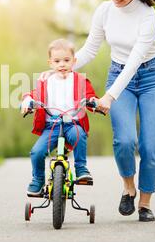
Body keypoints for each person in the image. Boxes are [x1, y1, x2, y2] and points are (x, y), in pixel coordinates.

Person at [72, 0, 155, 221]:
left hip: (153, 79)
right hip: (118, 76)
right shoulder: (105, 11)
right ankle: (128, 188)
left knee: (150, 146)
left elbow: (135, 61)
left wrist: (109, 96)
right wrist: (60, 67)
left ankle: (145, 203)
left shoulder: (148, 16)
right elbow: (90, 49)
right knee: (125, 140)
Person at [21, 38, 100, 196]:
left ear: (74, 61)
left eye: (66, 60)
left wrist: (93, 102)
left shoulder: (80, 80)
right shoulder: (45, 81)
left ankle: (81, 168)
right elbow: (33, 95)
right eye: (57, 61)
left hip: (73, 123)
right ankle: (38, 179)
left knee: (79, 134)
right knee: (36, 152)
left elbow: (91, 96)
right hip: (52, 126)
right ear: (50, 63)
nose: (62, 64)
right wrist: (27, 102)